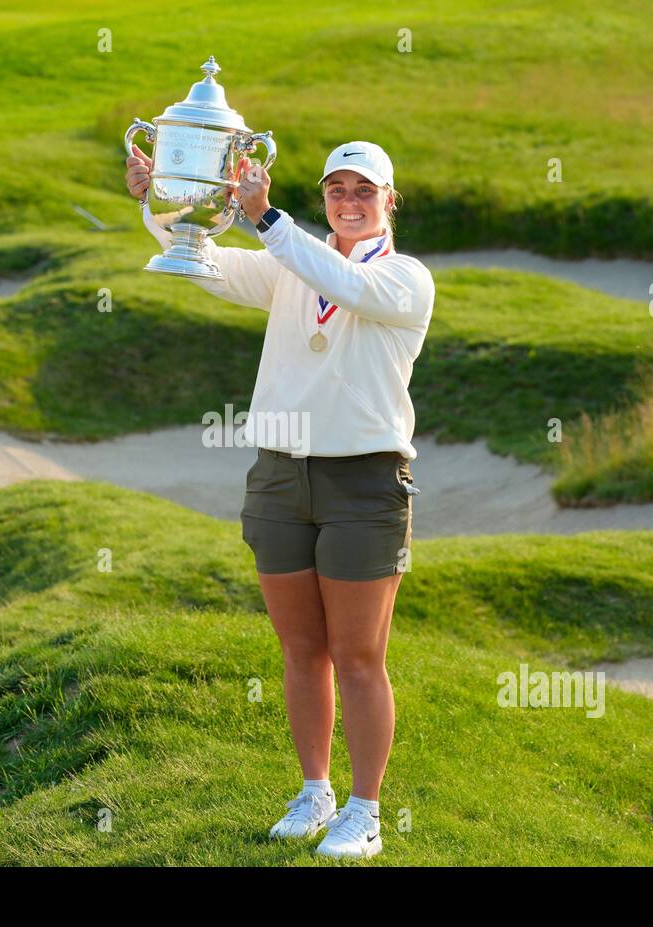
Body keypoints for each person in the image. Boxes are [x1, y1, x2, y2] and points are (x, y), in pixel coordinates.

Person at [125, 140, 435, 859]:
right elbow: (205, 262)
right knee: (302, 649)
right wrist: (160, 200)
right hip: (278, 478)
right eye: (337, 189)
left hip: (364, 484)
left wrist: (268, 221)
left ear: (391, 200)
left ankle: (366, 810)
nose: (349, 201)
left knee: (358, 655)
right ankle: (314, 790)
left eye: (365, 190)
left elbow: (342, 282)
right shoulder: (289, 265)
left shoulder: (406, 280)